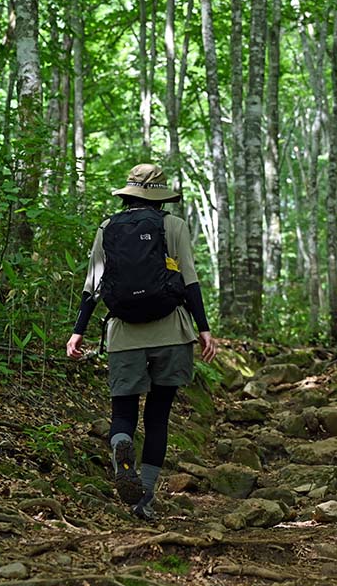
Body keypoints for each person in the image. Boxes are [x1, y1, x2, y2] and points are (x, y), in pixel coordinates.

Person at [66, 163, 217, 520]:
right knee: (159, 415)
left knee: (123, 411)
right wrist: (204, 328)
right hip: (171, 331)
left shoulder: (107, 228)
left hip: (123, 334)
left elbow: (93, 285)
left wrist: (78, 331)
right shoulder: (173, 225)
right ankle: (143, 498)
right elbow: (190, 281)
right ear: (159, 195)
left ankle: (120, 444)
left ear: (129, 193)